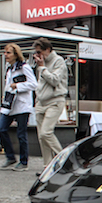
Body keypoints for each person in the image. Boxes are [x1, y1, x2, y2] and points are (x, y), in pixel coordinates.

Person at [0, 43, 38, 171]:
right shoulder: (9, 69)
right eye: (5, 53)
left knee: (21, 134)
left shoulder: (24, 67)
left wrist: (18, 86)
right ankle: (10, 157)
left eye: (8, 53)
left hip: (22, 105)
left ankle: (23, 161)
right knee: (1, 129)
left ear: (16, 54)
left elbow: (33, 84)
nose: (6, 55)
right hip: (10, 104)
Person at [33, 37, 68, 167]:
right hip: (41, 102)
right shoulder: (41, 62)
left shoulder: (58, 61)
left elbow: (54, 80)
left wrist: (42, 68)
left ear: (47, 49)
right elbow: (41, 83)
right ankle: (47, 166)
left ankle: (64, 158)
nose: (38, 55)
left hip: (54, 101)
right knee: (41, 137)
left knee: (46, 132)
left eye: (39, 52)